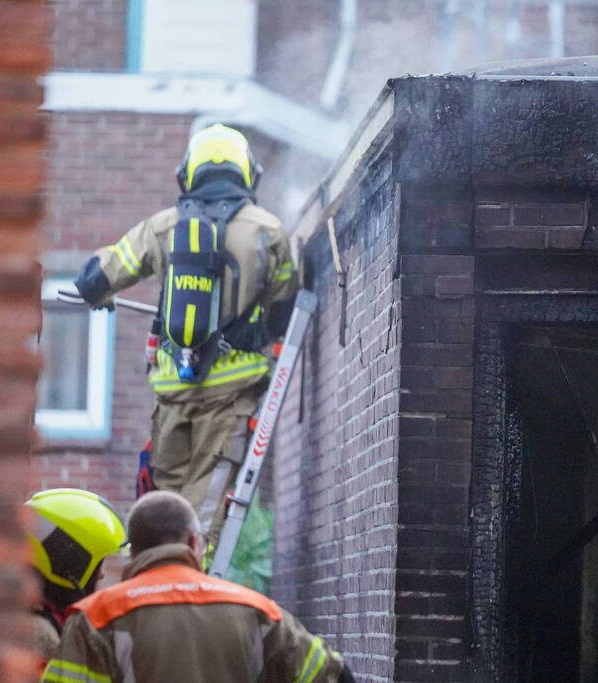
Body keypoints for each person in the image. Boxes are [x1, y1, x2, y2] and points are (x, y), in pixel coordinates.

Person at [73, 124, 299, 545]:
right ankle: (194, 584)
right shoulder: (269, 231)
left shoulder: (161, 227)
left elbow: (95, 278)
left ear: (188, 173)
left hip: (172, 389)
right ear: (248, 172)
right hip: (232, 392)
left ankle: (154, 577)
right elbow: (286, 307)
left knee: (165, 503)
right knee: (203, 509)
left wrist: (98, 294)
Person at [42, 491, 355, 683]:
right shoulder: (256, 611)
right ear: (193, 542)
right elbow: (334, 675)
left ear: (134, 550)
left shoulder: (95, 619)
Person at [25, 488, 127, 670]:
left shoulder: (40, 619)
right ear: (70, 563)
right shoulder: (39, 633)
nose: (102, 574)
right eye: (98, 566)